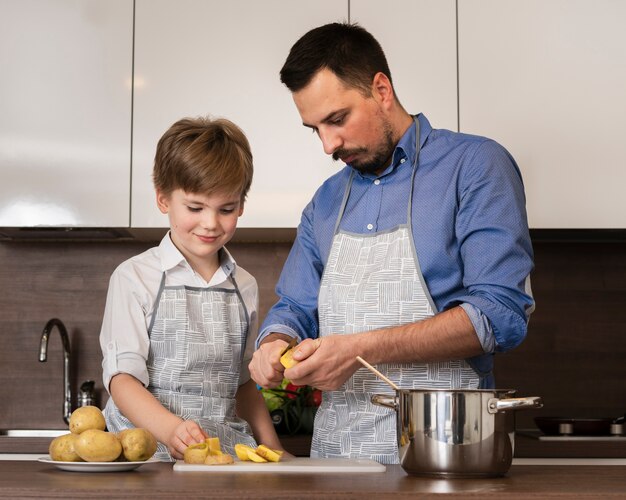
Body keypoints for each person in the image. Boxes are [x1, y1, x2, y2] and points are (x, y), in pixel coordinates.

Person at [249, 23, 535, 464]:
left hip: (446, 453)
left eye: (337, 119)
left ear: (381, 89)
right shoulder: (325, 202)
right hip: (335, 463)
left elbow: (499, 315)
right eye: (314, 129)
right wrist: (273, 343)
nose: (328, 144)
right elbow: (296, 308)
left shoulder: (475, 166)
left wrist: (359, 348)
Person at [100, 116, 284, 461]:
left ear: (242, 205)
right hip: (147, 457)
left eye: (226, 209)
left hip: (223, 455)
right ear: (163, 199)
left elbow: (243, 384)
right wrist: (172, 430)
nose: (211, 223)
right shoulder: (135, 277)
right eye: (195, 207)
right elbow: (122, 380)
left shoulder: (244, 286)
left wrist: (275, 450)